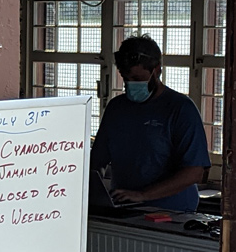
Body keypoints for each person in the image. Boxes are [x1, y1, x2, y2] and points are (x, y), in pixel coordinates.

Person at [90, 35, 211, 212]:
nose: (131, 84)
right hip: (125, 208)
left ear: (157, 70)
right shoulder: (117, 108)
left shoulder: (180, 109)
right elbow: (97, 161)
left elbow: (194, 171)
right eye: (126, 78)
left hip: (171, 212)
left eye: (137, 78)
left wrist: (143, 195)